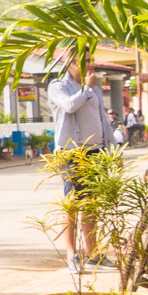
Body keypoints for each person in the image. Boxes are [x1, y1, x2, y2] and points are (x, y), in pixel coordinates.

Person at [48, 50, 113, 273]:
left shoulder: (94, 88)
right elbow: (69, 106)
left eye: (90, 60)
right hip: (73, 152)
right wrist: (86, 89)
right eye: (85, 62)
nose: (90, 65)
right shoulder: (58, 86)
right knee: (73, 203)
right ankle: (71, 254)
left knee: (92, 203)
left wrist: (113, 150)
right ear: (71, 63)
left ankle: (93, 253)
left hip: (96, 151)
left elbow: (103, 119)